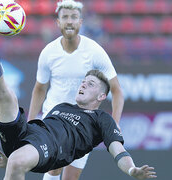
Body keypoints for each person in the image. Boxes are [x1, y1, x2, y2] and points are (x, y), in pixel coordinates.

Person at [28, 0, 124, 179]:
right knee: (53, 167)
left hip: (83, 123)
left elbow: (117, 90)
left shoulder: (95, 51)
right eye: (65, 17)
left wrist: (115, 124)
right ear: (58, 22)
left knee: (71, 177)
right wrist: (31, 121)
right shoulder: (49, 52)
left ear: (81, 22)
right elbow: (39, 88)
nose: (69, 21)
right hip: (54, 118)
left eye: (74, 17)